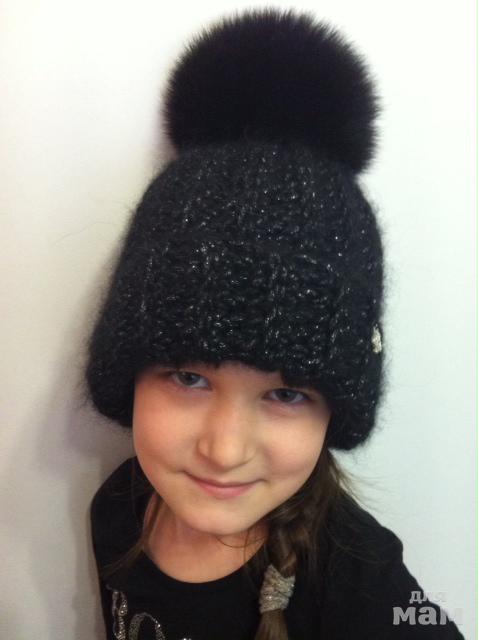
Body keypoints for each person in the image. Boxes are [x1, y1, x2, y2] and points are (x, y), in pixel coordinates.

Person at [85, 7, 465, 640]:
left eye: (286, 393)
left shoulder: (358, 580)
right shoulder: (119, 511)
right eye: (188, 376)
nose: (224, 450)